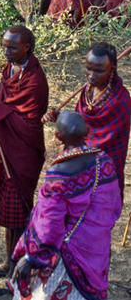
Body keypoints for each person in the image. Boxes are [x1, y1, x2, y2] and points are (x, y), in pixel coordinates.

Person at [9, 112, 121, 300]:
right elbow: (113, 208)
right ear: (87, 133)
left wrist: (32, 258)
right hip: (95, 256)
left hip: (63, 260)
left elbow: (48, 226)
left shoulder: (60, 173)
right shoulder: (105, 161)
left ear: (58, 136)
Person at [0, 25, 49, 277]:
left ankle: (16, 268)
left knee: (19, 209)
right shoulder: (10, 69)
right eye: (4, 45)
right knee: (8, 207)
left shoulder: (35, 79)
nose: (6, 51)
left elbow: (28, 122)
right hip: (5, 145)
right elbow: (6, 98)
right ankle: (9, 262)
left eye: (12, 47)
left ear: (26, 47)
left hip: (23, 151)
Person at [44, 42, 130, 192]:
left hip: (103, 171)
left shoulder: (120, 99)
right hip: (77, 164)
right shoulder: (87, 90)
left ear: (112, 69)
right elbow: (80, 121)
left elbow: (99, 138)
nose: (91, 75)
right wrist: (61, 119)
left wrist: (68, 127)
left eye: (98, 71)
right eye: (88, 68)